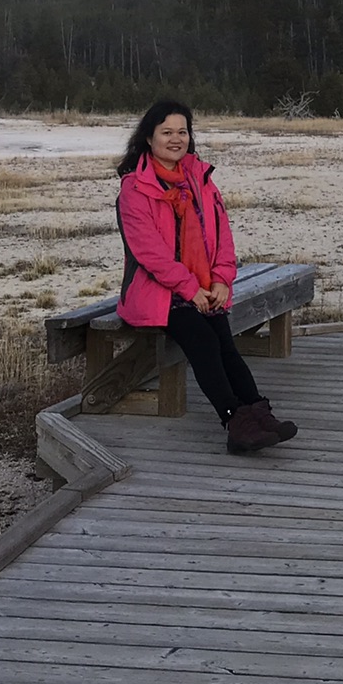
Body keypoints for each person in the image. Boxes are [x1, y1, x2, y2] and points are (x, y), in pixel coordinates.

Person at [114, 99, 297, 454]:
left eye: (182, 131)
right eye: (166, 132)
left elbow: (222, 237)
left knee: (226, 344)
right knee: (203, 341)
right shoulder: (134, 189)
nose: (175, 139)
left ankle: (258, 413)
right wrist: (188, 287)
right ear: (148, 138)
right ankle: (235, 421)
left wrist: (221, 279)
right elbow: (149, 252)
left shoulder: (201, 179)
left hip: (201, 286)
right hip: (156, 292)